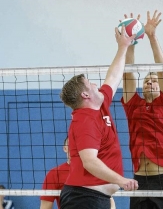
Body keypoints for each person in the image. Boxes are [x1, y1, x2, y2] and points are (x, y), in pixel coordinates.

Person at [59, 24, 138, 209]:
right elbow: (90, 162)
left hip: (94, 198)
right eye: (90, 83)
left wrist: (123, 46)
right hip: (83, 199)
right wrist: (121, 180)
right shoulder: (85, 121)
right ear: (86, 95)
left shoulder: (100, 105)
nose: (96, 84)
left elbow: (114, 76)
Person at [121, 10, 163, 209]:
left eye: (154, 81)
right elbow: (128, 75)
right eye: (147, 81)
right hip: (139, 181)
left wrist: (152, 37)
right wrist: (129, 43)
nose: (150, 83)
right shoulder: (133, 105)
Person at [40, 136, 70, 209]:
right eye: (71, 144)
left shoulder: (94, 171)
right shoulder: (54, 174)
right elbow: (45, 207)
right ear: (65, 148)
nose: (75, 147)